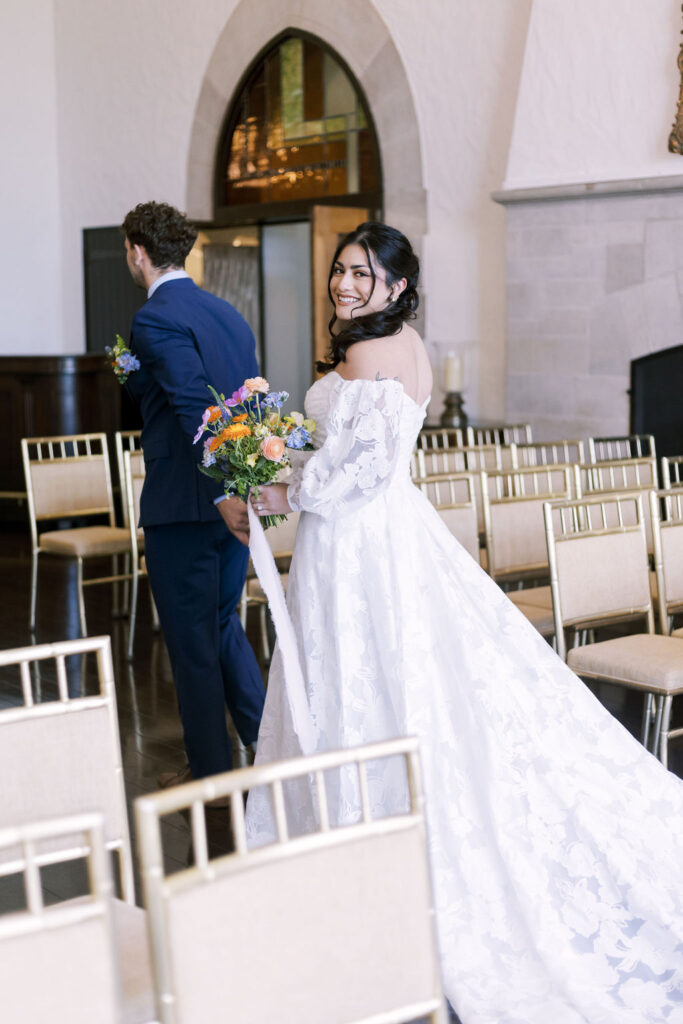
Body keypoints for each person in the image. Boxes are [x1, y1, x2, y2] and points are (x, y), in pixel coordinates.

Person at [244, 222, 683, 1023]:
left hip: (360, 548)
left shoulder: (370, 355)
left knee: (366, 678)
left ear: (398, 287)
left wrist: (278, 495)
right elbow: (353, 462)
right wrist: (283, 479)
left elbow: (361, 474)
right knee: (403, 679)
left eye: (363, 275)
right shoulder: (405, 344)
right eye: (341, 271)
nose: (345, 285)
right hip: (374, 537)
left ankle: (368, 862)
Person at [122, 201, 265, 785]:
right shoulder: (227, 313)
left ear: (137, 251)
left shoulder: (155, 317)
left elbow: (192, 404)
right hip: (233, 496)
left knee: (191, 643)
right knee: (221, 626)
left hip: (190, 504)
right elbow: (245, 399)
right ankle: (267, 745)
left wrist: (217, 491)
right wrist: (238, 485)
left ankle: (209, 776)